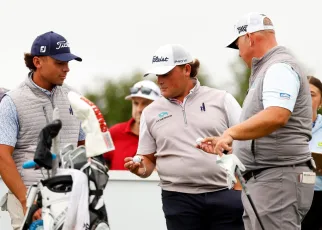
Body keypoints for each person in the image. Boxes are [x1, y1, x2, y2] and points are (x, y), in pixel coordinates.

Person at [199, 12, 315, 230]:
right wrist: (234, 143)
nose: (239, 54)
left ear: (250, 38)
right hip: (271, 180)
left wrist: (231, 133)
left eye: (238, 46)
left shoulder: (278, 67)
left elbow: (277, 115)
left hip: (277, 179)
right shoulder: (271, 68)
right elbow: (270, 126)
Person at [125, 44, 244, 230]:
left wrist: (239, 189)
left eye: (166, 74)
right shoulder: (151, 112)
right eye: (158, 75)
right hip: (178, 199)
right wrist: (141, 168)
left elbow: (247, 140)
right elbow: (148, 158)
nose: (160, 81)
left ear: (186, 69)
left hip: (224, 194)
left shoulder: (222, 99)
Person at [0, 31, 84, 230]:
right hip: (30, 197)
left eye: (68, 63)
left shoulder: (75, 97)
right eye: (59, 63)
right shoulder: (12, 102)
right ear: (37, 62)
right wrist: (26, 201)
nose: (67, 69)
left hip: (69, 198)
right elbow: (3, 157)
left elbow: (82, 148)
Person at [103, 80, 160, 170]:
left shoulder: (166, 135)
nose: (139, 109)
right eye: (136, 103)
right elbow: (100, 164)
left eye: (145, 104)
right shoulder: (114, 132)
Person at [301, 76, 322, 230]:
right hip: (289, 194)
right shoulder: (280, 126)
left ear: (320, 102)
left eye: (312, 94)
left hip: (319, 196)